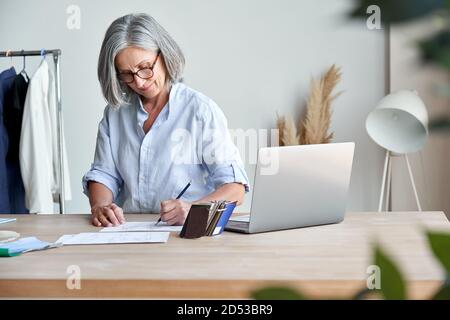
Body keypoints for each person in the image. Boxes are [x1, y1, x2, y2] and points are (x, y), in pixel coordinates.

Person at [82, 13, 249, 227]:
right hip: (128, 232)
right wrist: (101, 207)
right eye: (127, 74)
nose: (139, 82)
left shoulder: (200, 111)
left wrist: (193, 211)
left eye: (145, 68)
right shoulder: (115, 114)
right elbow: (104, 174)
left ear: (164, 55)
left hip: (185, 234)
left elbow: (235, 188)